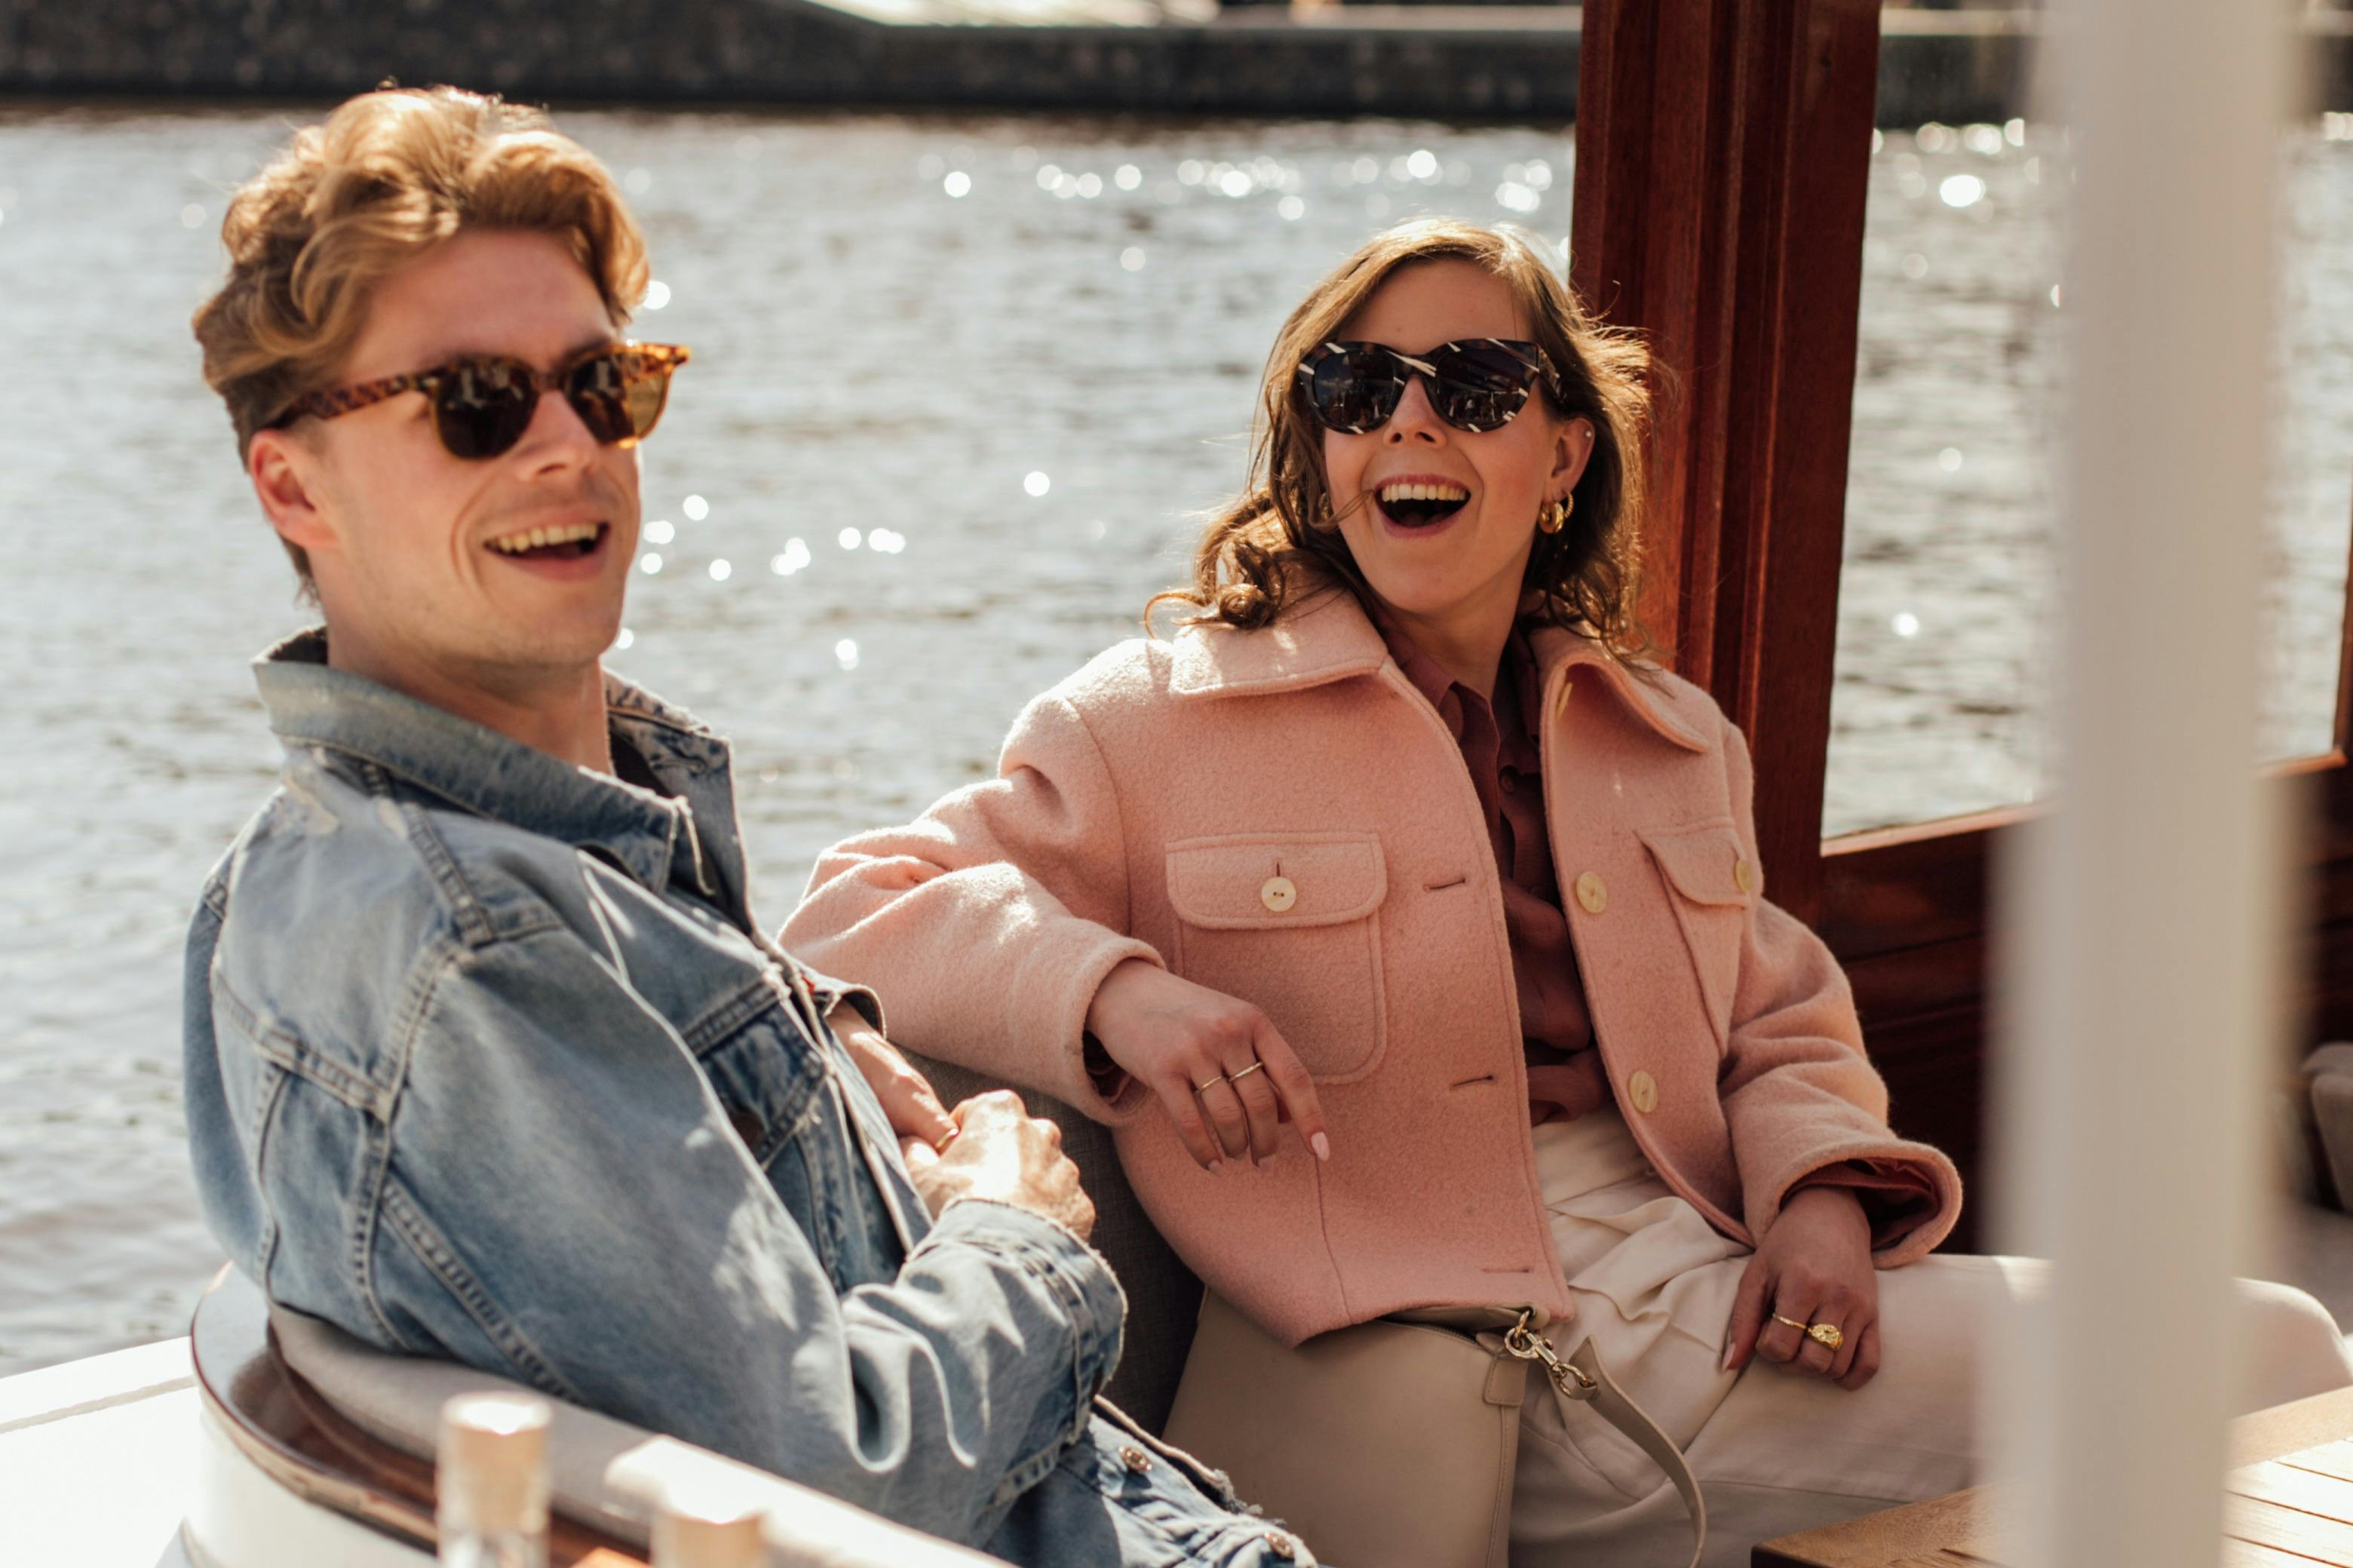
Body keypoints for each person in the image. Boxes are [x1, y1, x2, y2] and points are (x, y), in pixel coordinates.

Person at [781, 217, 2353, 1564]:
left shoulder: (1666, 737)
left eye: (1472, 389)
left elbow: (1778, 1014)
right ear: (1316, 451)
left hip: (1713, 1287)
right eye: (1355, 388)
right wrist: (1121, 991)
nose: (1408, 424)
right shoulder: (1151, 717)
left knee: (2280, 1349)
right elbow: (853, 909)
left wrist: (1817, 1191)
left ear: (1563, 456)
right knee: (2256, 1370)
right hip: (1471, 1347)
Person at [179, 84, 1318, 1568]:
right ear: (291, 480)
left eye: (602, 385)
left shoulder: (378, 870)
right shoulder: (482, 947)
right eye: (474, 404)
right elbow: (845, 1476)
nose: (565, 448)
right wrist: (1015, 1221)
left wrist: (813, 1032)